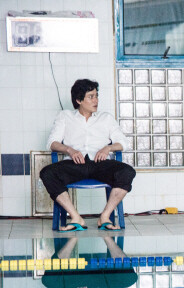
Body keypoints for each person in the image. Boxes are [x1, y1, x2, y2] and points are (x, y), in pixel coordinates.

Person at [39, 79, 136, 231]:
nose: (96, 100)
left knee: (128, 171)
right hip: (75, 164)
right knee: (47, 173)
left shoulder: (106, 118)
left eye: (96, 96)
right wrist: (69, 150)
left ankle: (105, 216)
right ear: (78, 100)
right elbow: (52, 143)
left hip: (100, 164)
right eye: (91, 97)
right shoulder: (65, 116)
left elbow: (123, 143)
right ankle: (76, 217)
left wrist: (107, 148)